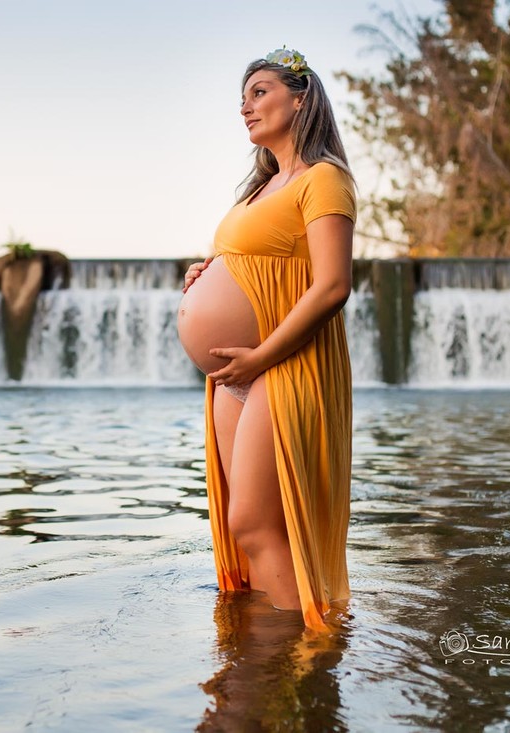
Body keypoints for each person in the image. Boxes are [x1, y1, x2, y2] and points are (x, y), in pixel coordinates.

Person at [176, 47, 355, 632]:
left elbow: (331, 287)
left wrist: (259, 354)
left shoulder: (323, 180)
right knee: (242, 528)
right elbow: (253, 261)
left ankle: (309, 655)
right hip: (238, 376)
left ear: (300, 98)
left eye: (260, 92)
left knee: (255, 521)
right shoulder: (258, 189)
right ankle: (256, 657)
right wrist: (205, 277)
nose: (245, 107)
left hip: (285, 365)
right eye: (243, 97)